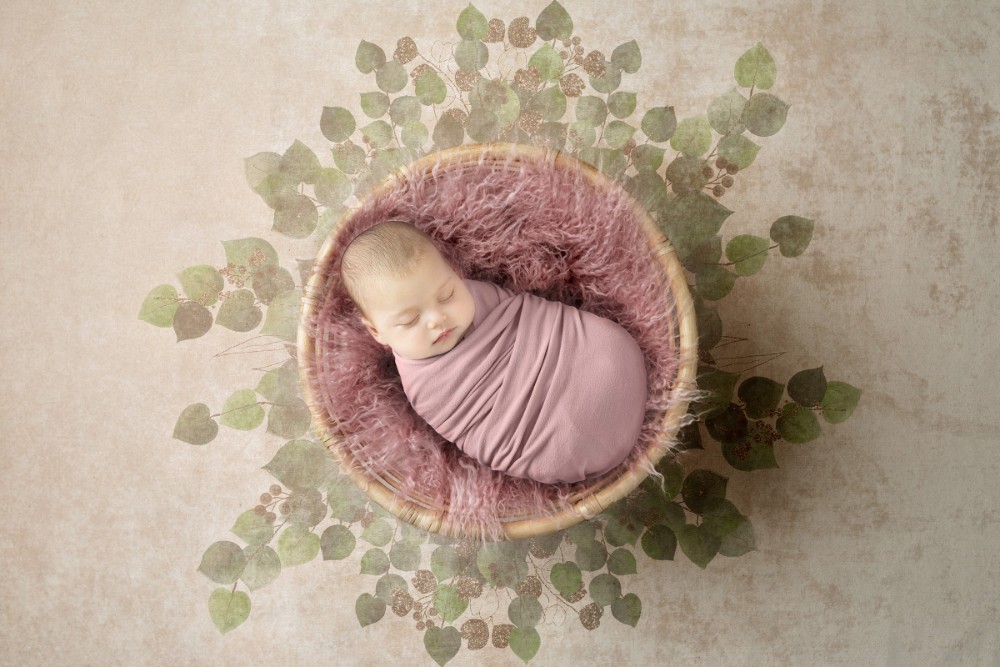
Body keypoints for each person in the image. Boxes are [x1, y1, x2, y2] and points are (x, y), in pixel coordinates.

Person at [340, 220, 648, 484]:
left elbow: (533, 319)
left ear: (455, 274)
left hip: (594, 358)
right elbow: (473, 427)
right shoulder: (421, 386)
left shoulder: (479, 295)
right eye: (409, 320)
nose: (436, 319)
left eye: (446, 295)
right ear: (377, 332)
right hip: (554, 442)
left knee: (607, 347)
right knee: (562, 445)